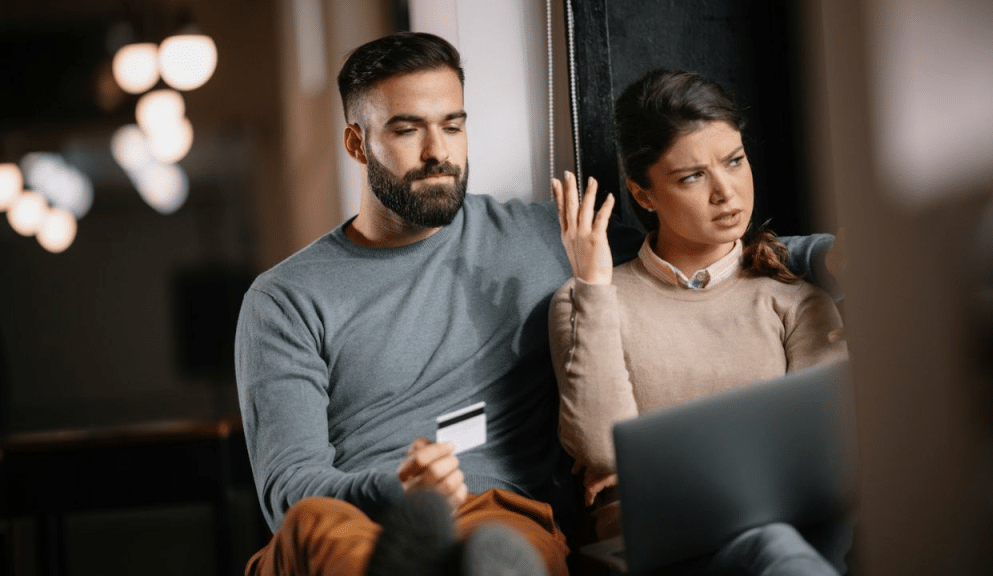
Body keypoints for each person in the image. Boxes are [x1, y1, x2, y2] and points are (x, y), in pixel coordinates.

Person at [234, 33, 839, 576]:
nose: (436, 151)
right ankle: (398, 559)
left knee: (507, 548)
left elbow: (695, 242)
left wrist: (829, 258)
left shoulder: (542, 236)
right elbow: (289, 485)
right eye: (406, 128)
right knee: (320, 532)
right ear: (356, 143)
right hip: (358, 514)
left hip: (496, 509)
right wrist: (395, 489)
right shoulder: (286, 299)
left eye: (452, 125)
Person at [548, 69, 849, 573]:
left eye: (734, 161)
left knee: (773, 545)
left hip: (781, 536)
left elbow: (823, 458)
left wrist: (653, 472)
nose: (726, 193)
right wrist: (595, 287)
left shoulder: (795, 299)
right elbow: (602, 447)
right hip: (660, 553)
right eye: (692, 177)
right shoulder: (589, 301)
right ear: (643, 194)